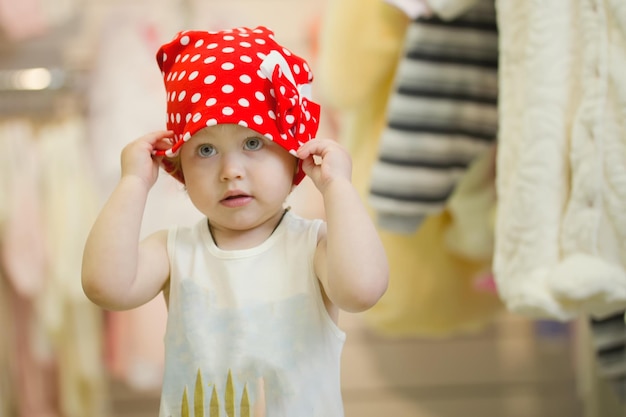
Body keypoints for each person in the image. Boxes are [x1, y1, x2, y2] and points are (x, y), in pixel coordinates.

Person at [81, 26, 388, 416]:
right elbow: (103, 286)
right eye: (206, 149)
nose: (230, 170)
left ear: (295, 152)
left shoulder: (313, 247)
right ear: (176, 164)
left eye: (253, 142)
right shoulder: (174, 250)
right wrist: (133, 182)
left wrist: (339, 188)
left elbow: (364, 289)